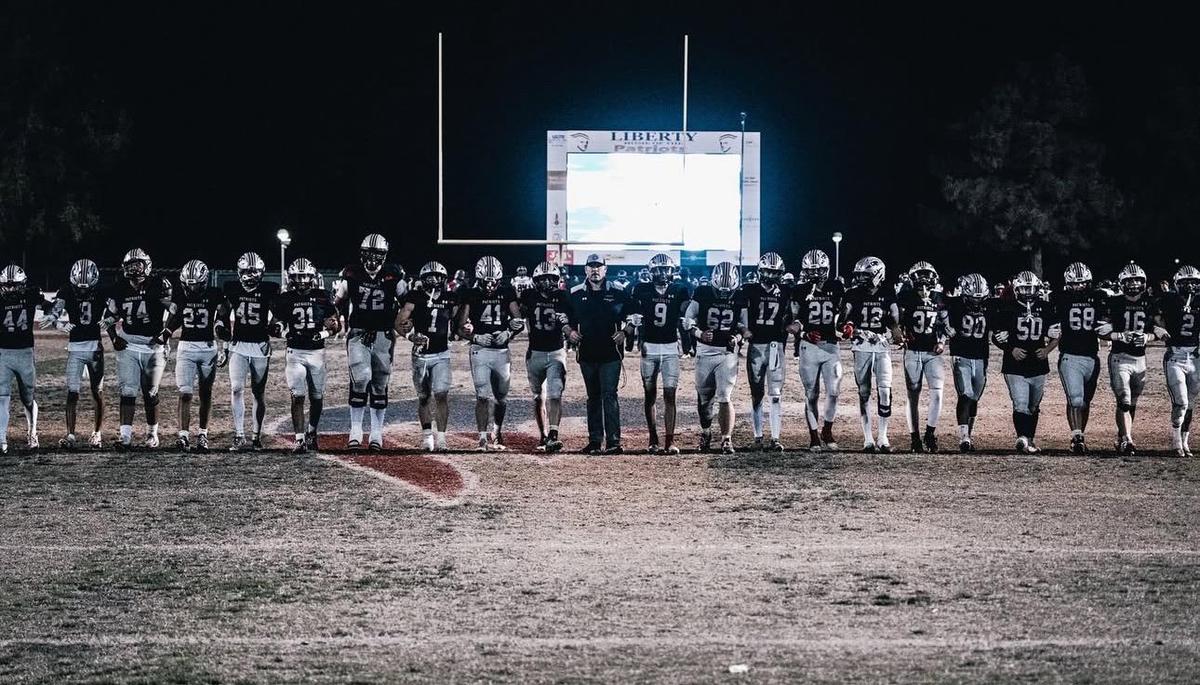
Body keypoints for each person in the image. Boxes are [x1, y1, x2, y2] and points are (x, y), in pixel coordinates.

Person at [333, 234, 407, 449]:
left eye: (377, 254)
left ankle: (376, 433)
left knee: (380, 383)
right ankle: (355, 430)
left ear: (384, 256)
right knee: (360, 377)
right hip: (359, 333)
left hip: (384, 334)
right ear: (362, 254)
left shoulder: (394, 275)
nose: (373, 259)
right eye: (369, 253)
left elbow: (407, 304)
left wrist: (406, 323)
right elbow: (336, 303)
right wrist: (333, 318)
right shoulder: (351, 274)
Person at [273, 258, 339, 453]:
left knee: (317, 397)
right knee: (298, 396)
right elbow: (273, 325)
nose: (302, 281)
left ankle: (312, 432)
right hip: (295, 352)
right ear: (291, 278)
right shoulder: (286, 298)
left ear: (312, 277)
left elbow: (336, 326)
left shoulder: (323, 296)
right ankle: (299, 439)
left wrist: (324, 333)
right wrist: (283, 332)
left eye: (305, 276)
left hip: (317, 352)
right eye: (298, 277)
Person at [456, 256, 522, 451]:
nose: (491, 286)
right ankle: (482, 439)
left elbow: (519, 322)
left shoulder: (507, 292)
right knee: (482, 396)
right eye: (487, 282)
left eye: (495, 282)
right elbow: (459, 326)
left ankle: (497, 432)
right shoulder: (470, 294)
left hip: (501, 351)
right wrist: (475, 337)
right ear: (479, 279)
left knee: (501, 398)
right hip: (480, 350)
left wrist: (508, 333)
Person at [626, 253, 690, 453]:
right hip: (649, 347)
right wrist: (633, 335)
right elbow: (634, 315)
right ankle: (653, 437)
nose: (662, 273)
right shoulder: (641, 289)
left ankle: (670, 440)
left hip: (670, 347)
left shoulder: (680, 290)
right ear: (651, 271)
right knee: (650, 395)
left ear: (672, 271)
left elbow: (686, 316)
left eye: (666, 269)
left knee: (670, 395)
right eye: (659, 269)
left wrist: (688, 341)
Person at [566, 254, 629, 454]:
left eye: (598, 266)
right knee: (593, 397)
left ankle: (613, 442)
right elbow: (565, 318)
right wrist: (570, 332)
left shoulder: (618, 291)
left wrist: (625, 332)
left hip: (611, 353)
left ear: (605, 269)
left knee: (609, 395)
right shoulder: (575, 293)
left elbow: (634, 315)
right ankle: (594, 441)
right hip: (587, 352)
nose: (595, 270)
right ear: (585, 269)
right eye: (591, 266)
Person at [217, 252, 279, 451]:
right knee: (236, 388)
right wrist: (222, 335)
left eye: (254, 272)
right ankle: (239, 434)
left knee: (258, 393)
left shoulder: (269, 289)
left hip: (260, 345)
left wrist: (275, 325)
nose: (250, 276)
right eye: (246, 272)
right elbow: (222, 314)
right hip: (238, 345)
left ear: (261, 272)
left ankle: (256, 435)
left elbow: (278, 313)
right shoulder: (232, 288)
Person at [42, 259, 106, 449]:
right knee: (72, 392)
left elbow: (115, 310)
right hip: (75, 348)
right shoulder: (67, 290)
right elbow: (56, 311)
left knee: (97, 391)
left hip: (94, 347)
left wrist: (111, 320)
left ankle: (97, 433)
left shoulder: (101, 292)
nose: (82, 291)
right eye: (79, 287)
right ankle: (70, 435)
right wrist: (57, 323)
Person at [1097, 262, 1158, 454]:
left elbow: (1159, 330)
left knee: (1131, 403)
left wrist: (1148, 337)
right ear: (1122, 283)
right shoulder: (1114, 302)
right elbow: (1100, 329)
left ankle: (1122, 435)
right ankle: (1127, 440)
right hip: (1120, 357)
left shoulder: (1150, 302)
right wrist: (1119, 335)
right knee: (1124, 399)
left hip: (1140, 359)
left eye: (1137, 280)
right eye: (1129, 281)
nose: (1133, 284)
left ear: (1143, 282)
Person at [992, 271, 1056, 453]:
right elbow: (997, 337)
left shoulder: (1045, 307)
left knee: (1034, 405)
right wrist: (1011, 349)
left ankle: (1030, 439)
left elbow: (1057, 334)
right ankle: (1022, 437)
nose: (1028, 292)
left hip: (1037, 362)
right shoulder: (1007, 308)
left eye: (1031, 288)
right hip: (1015, 364)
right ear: (1017, 289)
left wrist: (1047, 350)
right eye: (1024, 288)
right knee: (1020, 403)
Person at [396, 261, 457, 451]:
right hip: (421, 355)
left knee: (441, 394)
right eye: (430, 277)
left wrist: (465, 327)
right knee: (423, 397)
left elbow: (460, 320)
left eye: (437, 276)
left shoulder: (450, 298)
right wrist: (411, 336)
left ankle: (442, 439)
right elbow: (399, 322)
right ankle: (427, 436)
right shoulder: (415, 297)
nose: (434, 280)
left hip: (441, 354)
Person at [685, 261, 744, 454]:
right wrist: (699, 333)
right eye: (720, 291)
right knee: (704, 399)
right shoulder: (702, 292)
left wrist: (738, 338)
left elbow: (744, 327)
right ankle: (706, 432)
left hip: (727, 352)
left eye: (729, 291)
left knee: (725, 396)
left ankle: (727, 439)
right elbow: (688, 320)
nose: (724, 295)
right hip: (705, 350)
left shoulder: (740, 296)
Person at [788, 249, 845, 451]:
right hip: (809, 347)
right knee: (811, 393)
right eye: (811, 270)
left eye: (819, 269)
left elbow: (842, 315)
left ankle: (827, 430)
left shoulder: (836, 287)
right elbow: (793, 321)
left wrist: (845, 326)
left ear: (826, 269)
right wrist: (803, 334)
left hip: (831, 345)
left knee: (834, 391)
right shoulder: (799, 290)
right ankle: (813, 436)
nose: (815, 274)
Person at [165, 260, 224, 451]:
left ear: (204, 282)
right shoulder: (180, 295)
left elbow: (223, 315)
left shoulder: (214, 294)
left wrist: (222, 332)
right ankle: (183, 436)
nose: (192, 288)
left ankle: (203, 434)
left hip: (208, 348)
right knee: (185, 392)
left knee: (205, 393)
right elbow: (174, 318)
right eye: (189, 284)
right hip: (186, 347)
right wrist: (166, 333)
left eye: (196, 284)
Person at [840, 256, 898, 452]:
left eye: (865, 275)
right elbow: (842, 320)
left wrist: (895, 331)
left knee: (885, 390)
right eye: (860, 275)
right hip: (861, 346)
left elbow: (895, 321)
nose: (861, 279)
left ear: (877, 275)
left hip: (881, 346)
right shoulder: (852, 294)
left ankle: (883, 436)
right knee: (864, 392)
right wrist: (848, 326)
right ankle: (868, 438)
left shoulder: (888, 293)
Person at [1051, 262, 1105, 453]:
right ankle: (1077, 437)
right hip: (1070, 356)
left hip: (1092, 356)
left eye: (1082, 283)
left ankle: (1080, 433)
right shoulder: (1060, 298)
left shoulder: (1098, 297)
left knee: (1085, 402)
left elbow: (1108, 318)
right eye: (1075, 283)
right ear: (1068, 283)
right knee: (1075, 399)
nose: (1079, 287)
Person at [896, 261, 950, 452]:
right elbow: (896, 321)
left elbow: (945, 325)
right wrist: (899, 334)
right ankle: (915, 438)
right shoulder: (905, 297)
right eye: (921, 280)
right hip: (912, 351)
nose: (924, 285)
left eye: (927, 279)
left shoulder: (939, 298)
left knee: (938, 392)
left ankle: (929, 433)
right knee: (913, 396)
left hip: (932, 352)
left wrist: (942, 342)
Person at [519, 262, 571, 453]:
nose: (547, 282)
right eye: (543, 279)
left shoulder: (563, 296)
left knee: (555, 394)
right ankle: (543, 435)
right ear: (536, 281)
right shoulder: (528, 296)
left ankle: (553, 435)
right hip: (535, 352)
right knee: (538, 397)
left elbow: (573, 318)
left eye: (551, 278)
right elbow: (517, 314)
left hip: (556, 351)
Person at [741, 252, 790, 451]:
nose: (771, 275)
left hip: (775, 346)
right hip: (756, 346)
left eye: (775, 272)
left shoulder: (785, 291)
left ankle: (776, 437)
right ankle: (758, 435)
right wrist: (743, 329)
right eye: (768, 271)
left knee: (776, 394)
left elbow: (794, 313)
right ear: (760, 271)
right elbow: (740, 314)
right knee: (757, 393)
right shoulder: (749, 290)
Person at [945, 273, 994, 452]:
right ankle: (963, 437)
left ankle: (969, 435)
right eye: (973, 298)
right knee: (965, 395)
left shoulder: (990, 307)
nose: (976, 302)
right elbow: (940, 310)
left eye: (980, 298)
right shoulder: (955, 305)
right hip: (961, 354)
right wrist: (946, 327)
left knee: (974, 398)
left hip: (981, 357)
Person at [0, 264, 46, 454]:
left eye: (15, 285)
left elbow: (49, 306)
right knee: (2, 396)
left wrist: (54, 313)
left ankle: (32, 432)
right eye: (7, 285)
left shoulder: (31, 294)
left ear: (23, 285)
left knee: (28, 398)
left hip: (25, 353)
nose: (11, 289)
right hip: (3, 353)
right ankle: (1, 439)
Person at [1156, 264, 1199, 455]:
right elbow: (1153, 315)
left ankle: (1185, 441)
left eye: (1193, 282)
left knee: (1190, 403)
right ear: (1177, 283)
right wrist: (1159, 328)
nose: (1190, 285)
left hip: (1195, 356)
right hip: (1175, 355)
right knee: (1181, 402)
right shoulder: (1169, 299)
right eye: (1186, 282)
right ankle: (1175, 440)